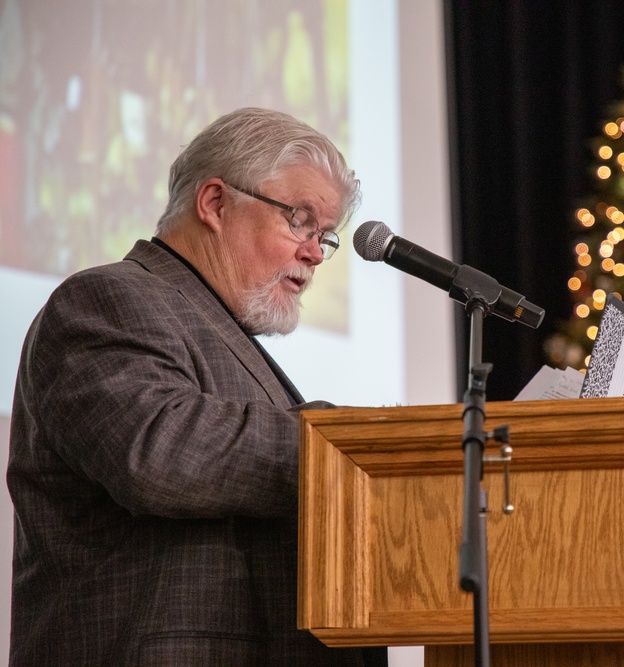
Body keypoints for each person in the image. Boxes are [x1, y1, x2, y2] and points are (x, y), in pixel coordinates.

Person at [7, 108, 385, 665]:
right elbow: (159, 452)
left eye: (323, 236)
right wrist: (348, 444)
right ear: (214, 203)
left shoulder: (216, 324)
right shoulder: (106, 300)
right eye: (300, 221)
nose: (313, 252)